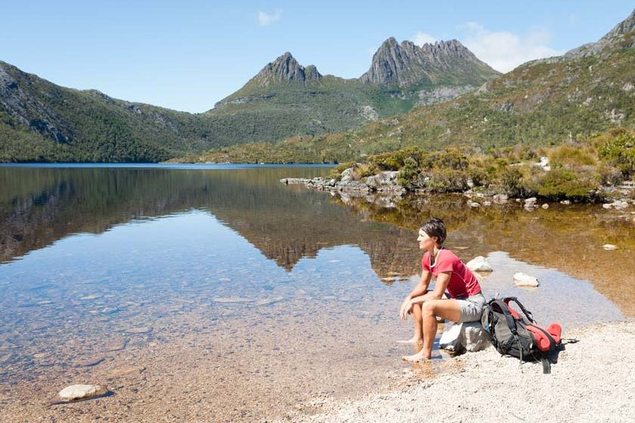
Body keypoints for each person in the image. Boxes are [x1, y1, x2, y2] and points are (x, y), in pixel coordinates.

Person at [399, 217, 485, 362]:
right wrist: (409, 299)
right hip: (457, 300)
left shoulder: (446, 258)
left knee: (429, 305)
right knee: (419, 298)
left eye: (421, 236)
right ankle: (418, 338)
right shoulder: (428, 257)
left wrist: (414, 300)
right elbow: (422, 286)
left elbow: (437, 295)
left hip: (473, 303)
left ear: (434, 238)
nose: (418, 239)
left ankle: (425, 353)